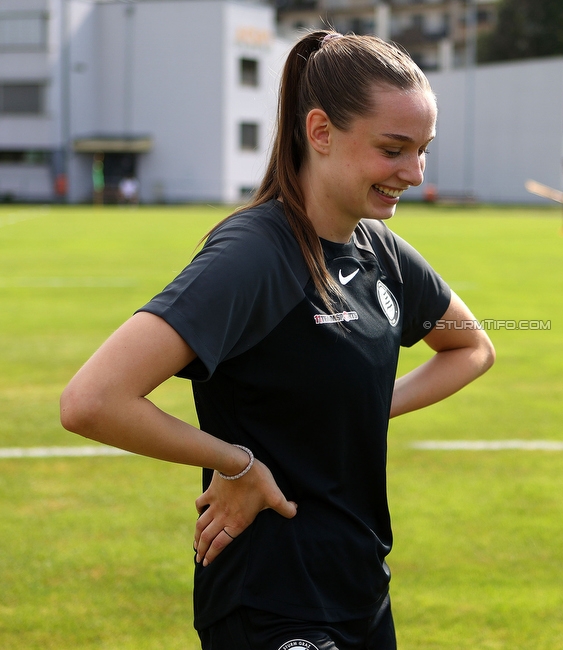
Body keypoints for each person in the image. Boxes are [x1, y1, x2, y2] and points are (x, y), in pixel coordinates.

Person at [60, 30, 494, 650]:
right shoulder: (253, 254)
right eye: (393, 149)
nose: (415, 173)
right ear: (320, 132)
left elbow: (472, 347)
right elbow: (92, 400)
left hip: (362, 591)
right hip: (271, 602)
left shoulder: (379, 250)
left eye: (423, 150)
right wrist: (235, 463)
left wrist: (371, 402)